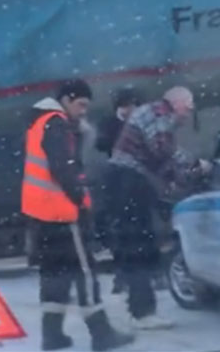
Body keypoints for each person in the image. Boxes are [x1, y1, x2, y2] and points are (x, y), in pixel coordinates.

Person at [23, 79, 134, 351]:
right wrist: (81, 202)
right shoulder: (57, 124)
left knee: (53, 274)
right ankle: (102, 335)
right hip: (63, 214)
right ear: (67, 99)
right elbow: (64, 169)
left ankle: (52, 335)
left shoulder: (39, 123)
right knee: (85, 273)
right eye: (81, 104)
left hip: (42, 215)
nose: (84, 110)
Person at [106, 86, 210, 330]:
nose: (191, 110)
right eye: (189, 104)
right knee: (138, 246)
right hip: (127, 183)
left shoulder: (159, 120)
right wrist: (196, 164)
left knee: (140, 245)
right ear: (176, 103)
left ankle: (140, 309)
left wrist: (189, 173)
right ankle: (142, 313)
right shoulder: (157, 114)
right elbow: (162, 151)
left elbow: (165, 165)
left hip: (127, 183)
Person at [94, 87, 142, 294]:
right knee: (120, 230)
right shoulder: (109, 123)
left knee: (142, 229)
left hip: (140, 180)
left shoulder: (140, 123)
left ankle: (146, 272)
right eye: (128, 105)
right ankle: (122, 274)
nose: (132, 109)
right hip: (118, 181)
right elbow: (101, 143)